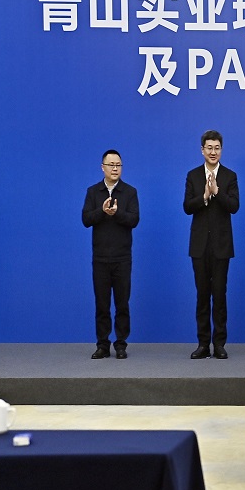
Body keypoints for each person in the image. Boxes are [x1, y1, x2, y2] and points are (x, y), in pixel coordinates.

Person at [184, 130, 239, 360]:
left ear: (221, 150)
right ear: (202, 150)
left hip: (221, 246)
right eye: (209, 148)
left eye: (217, 148)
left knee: (219, 295)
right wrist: (204, 197)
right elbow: (187, 207)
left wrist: (217, 192)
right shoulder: (193, 175)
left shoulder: (229, 176)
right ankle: (203, 344)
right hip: (199, 246)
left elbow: (234, 206)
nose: (213, 152)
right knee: (202, 296)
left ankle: (219, 344)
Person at [81, 149, 139, 360]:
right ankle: (102, 345)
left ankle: (121, 345)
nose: (115, 169)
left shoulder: (130, 192)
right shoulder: (93, 192)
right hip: (100, 258)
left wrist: (117, 213)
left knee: (122, 304)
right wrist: (102, 212)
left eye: (118, 165)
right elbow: (86, 219)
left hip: (122, 258)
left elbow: (134, 219)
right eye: (111, 165)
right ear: (102, 167)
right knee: (102, 304)